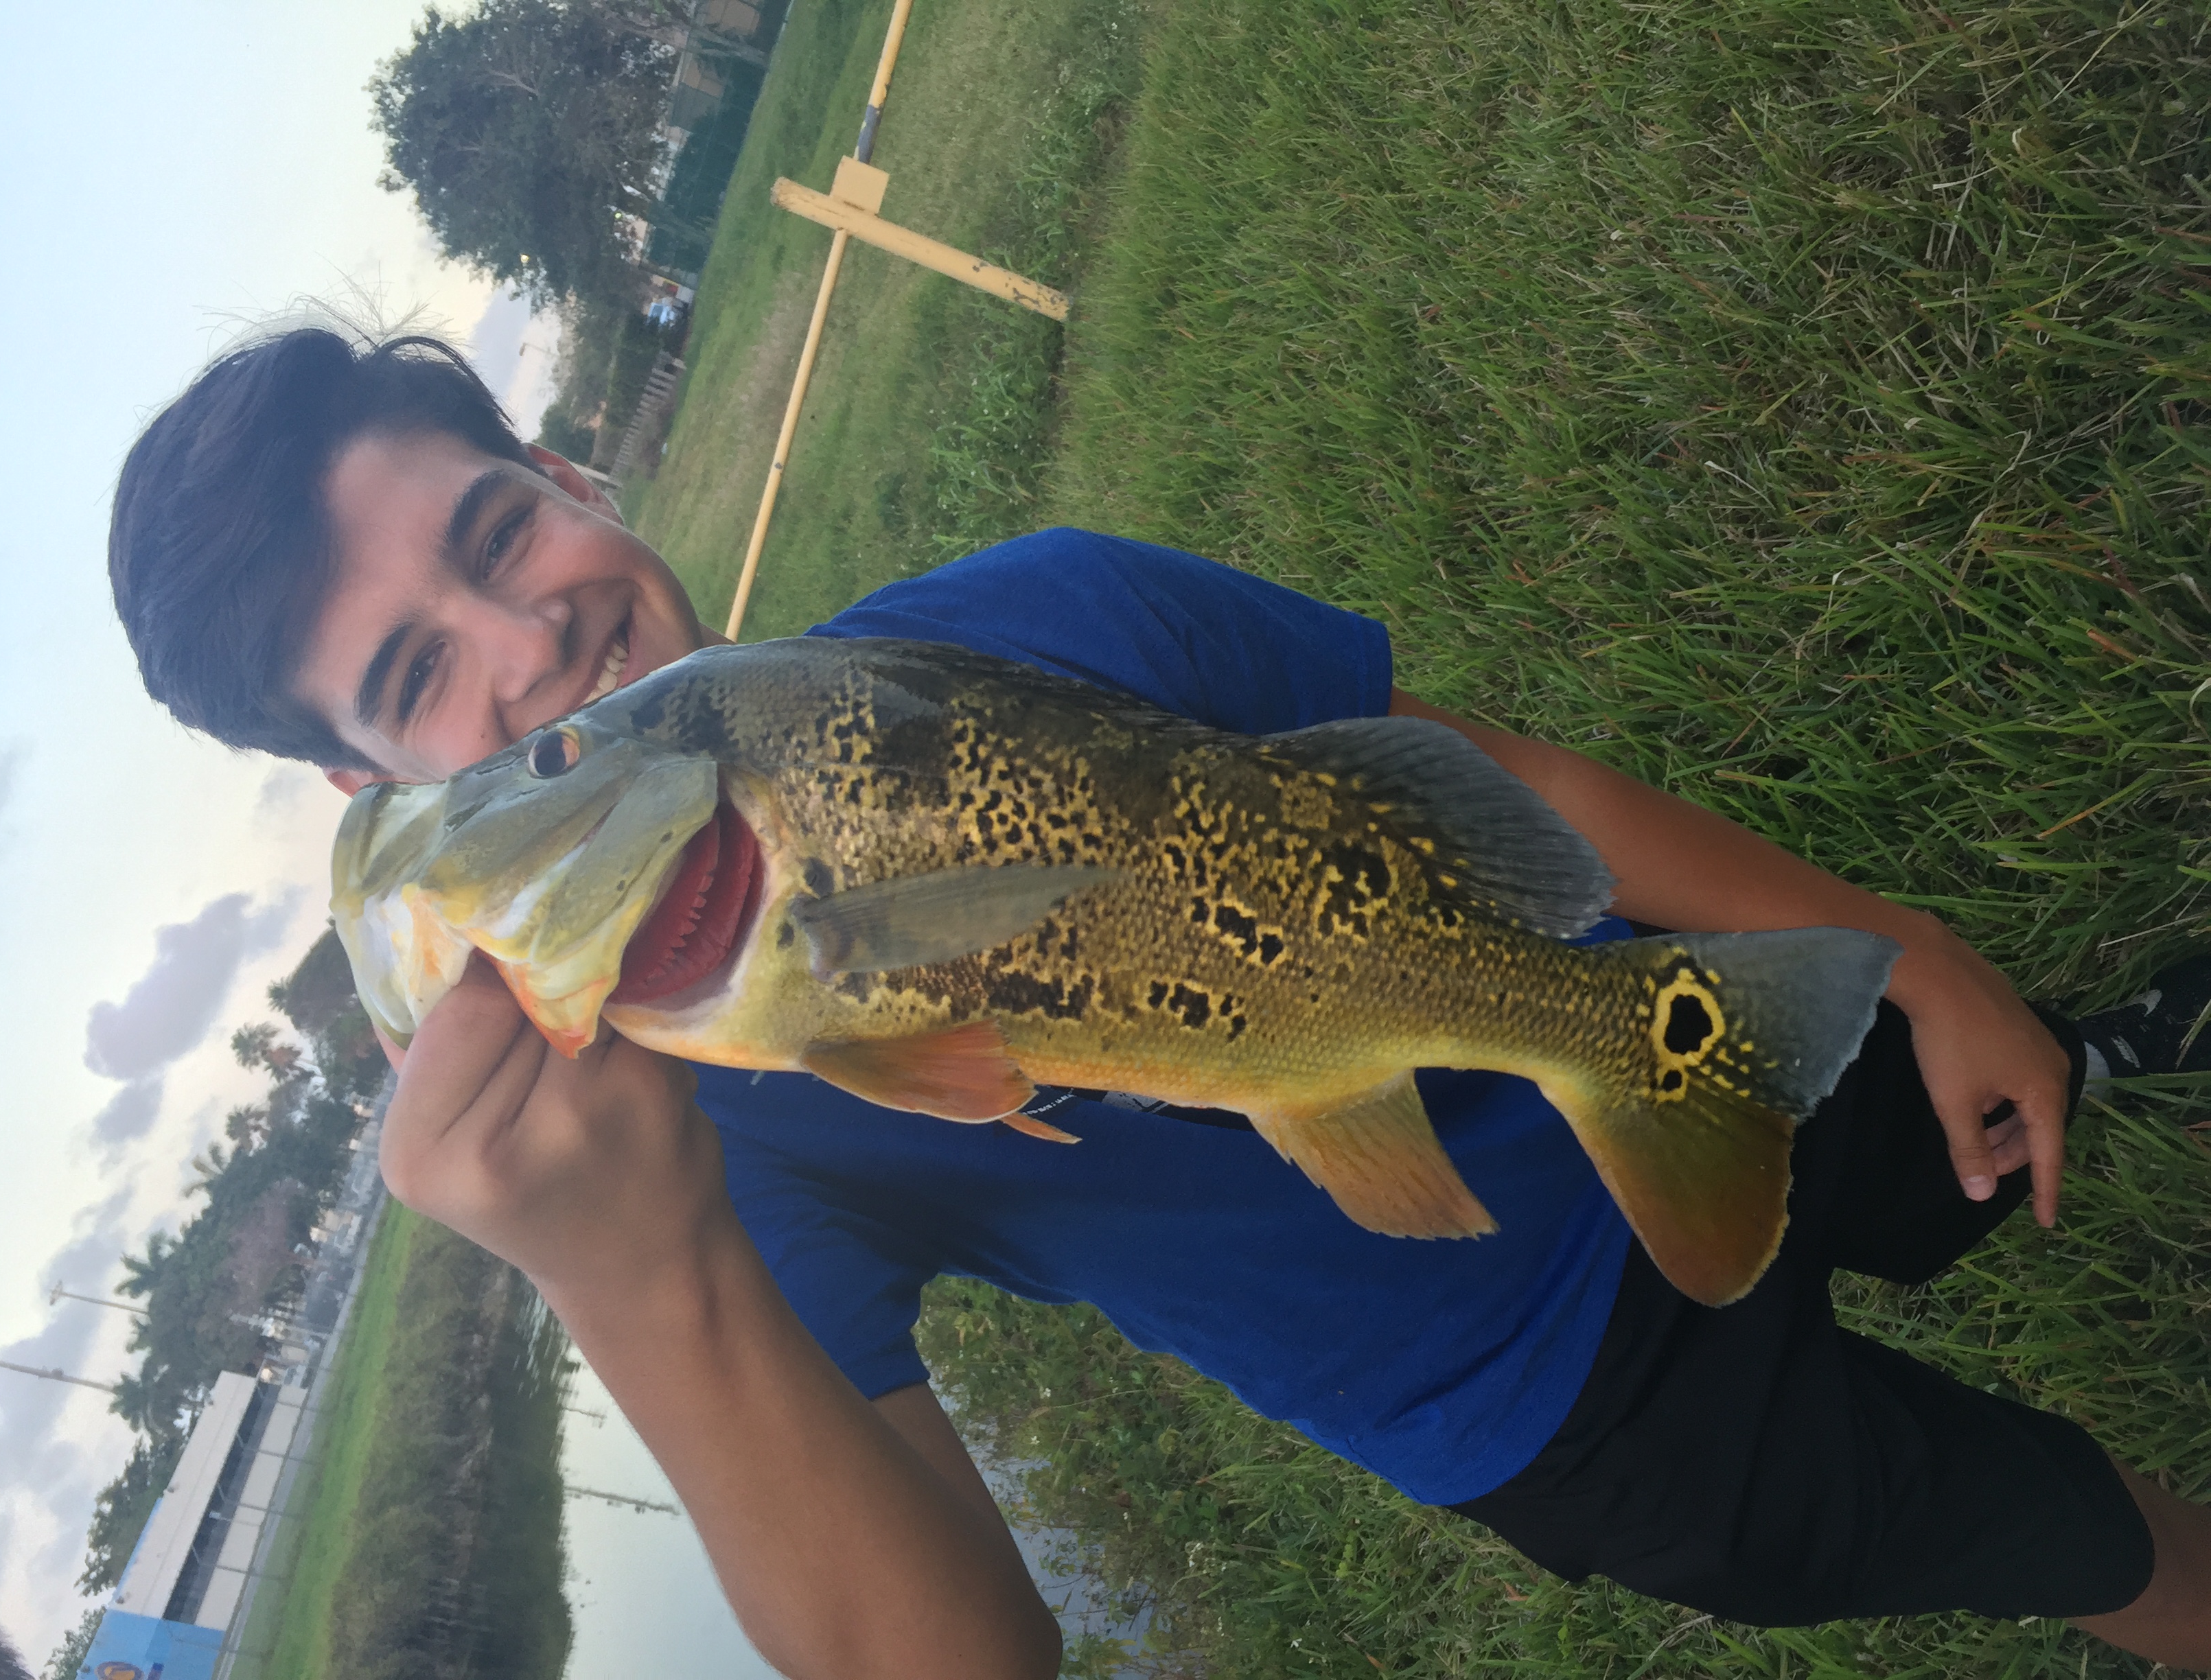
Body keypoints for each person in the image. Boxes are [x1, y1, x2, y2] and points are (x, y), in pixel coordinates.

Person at [108, 327, 2211, 1679]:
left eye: (499, 534)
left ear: (575, 483)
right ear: (379, 800)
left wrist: (1915, 951)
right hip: (1553, 1414)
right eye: (416, 681)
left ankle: (2081, 1062)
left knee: (1945, 1119)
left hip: (1641, 1016)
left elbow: (1525, 795)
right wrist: (633, 1277)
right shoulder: (688, 1157)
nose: (525, 651)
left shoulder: (1042, 607)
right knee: (2061, 1532)